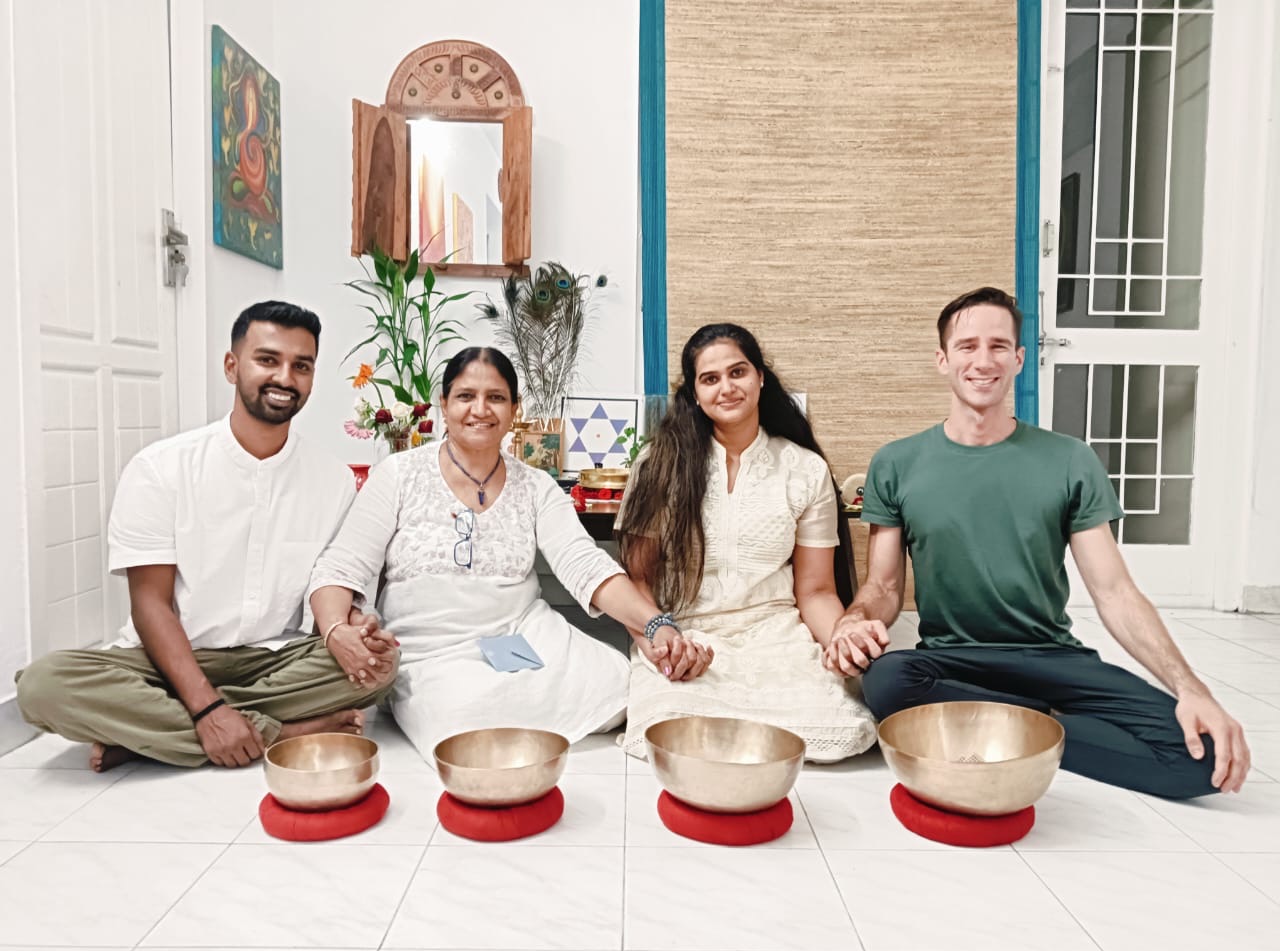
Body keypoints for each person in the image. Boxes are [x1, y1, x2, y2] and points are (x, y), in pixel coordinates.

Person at [827, 286, 1250, 798]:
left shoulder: (1070, 460)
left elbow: (1115, 592)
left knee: (1203, 759)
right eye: (967, 346)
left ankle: (1013, 727)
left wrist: (1192, 689)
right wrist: (853, 620)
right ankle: (1047, 727)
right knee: (888, 680)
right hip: (954, 662)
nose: (984, 361)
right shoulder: (897, 463)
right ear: (942, 360)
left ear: (1019, 359)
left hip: (1054, 661)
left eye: (999, 346)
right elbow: (884, 588)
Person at [15, 301, 398, 772]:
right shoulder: (161, 468)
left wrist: (351, 631)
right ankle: (281, 732)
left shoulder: (333, 479)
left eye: (301, 366)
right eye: (268, 360)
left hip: (274, 660)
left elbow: (331, 585)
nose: (284, 377)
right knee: (42, 686)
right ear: (232, 366)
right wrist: (206, 708)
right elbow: (150, 605)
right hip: (169, 660)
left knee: (382, 668)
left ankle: (147, 735)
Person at [307, 346, 688, 762]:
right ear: (444, 404)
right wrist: (336, 631)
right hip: (430, 648)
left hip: (522, 633)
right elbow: (340, 566)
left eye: (496, 397)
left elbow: (584, 563)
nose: (480, 410)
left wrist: (655, 624)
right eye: (465, 396)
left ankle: (518, 718)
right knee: (463, 712)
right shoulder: (399, 474)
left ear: (514, 408)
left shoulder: (536, 485)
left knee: (620, 681)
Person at [616, 324, 878, 762]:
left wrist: (842, 638)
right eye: (710, 379)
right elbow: (638, 580)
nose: (727, 388)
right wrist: (664, 644)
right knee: (668, 730)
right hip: (688, 635)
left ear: (760, 377)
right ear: (694, 393)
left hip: (776, 636)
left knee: (842, 730)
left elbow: (816, 591)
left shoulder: (805, 469)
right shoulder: (658, 464)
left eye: (737, 372)